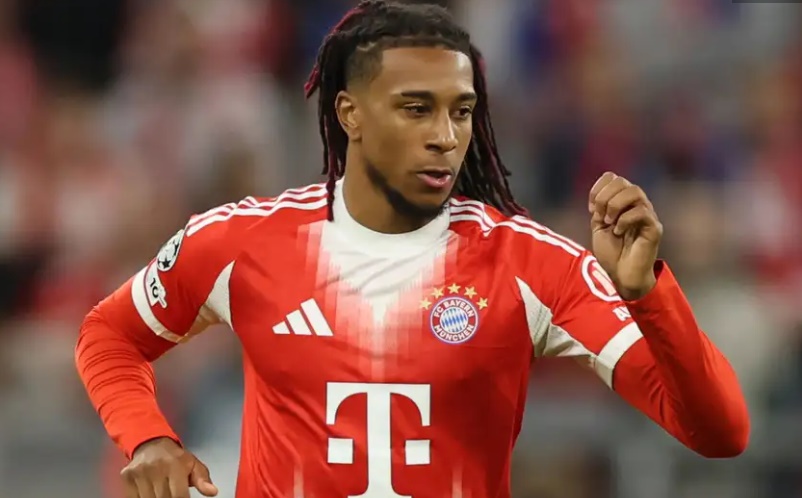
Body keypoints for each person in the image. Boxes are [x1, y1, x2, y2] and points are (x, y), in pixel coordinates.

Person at [75, 1, 750, 497]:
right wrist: (148, 436)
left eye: (461, 111)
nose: (445, 137)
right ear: (349, 114)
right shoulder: (242, 242)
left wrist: (649, 294)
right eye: (416, 108)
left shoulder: (533, 265)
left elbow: (719, 433)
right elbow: (109, 335)